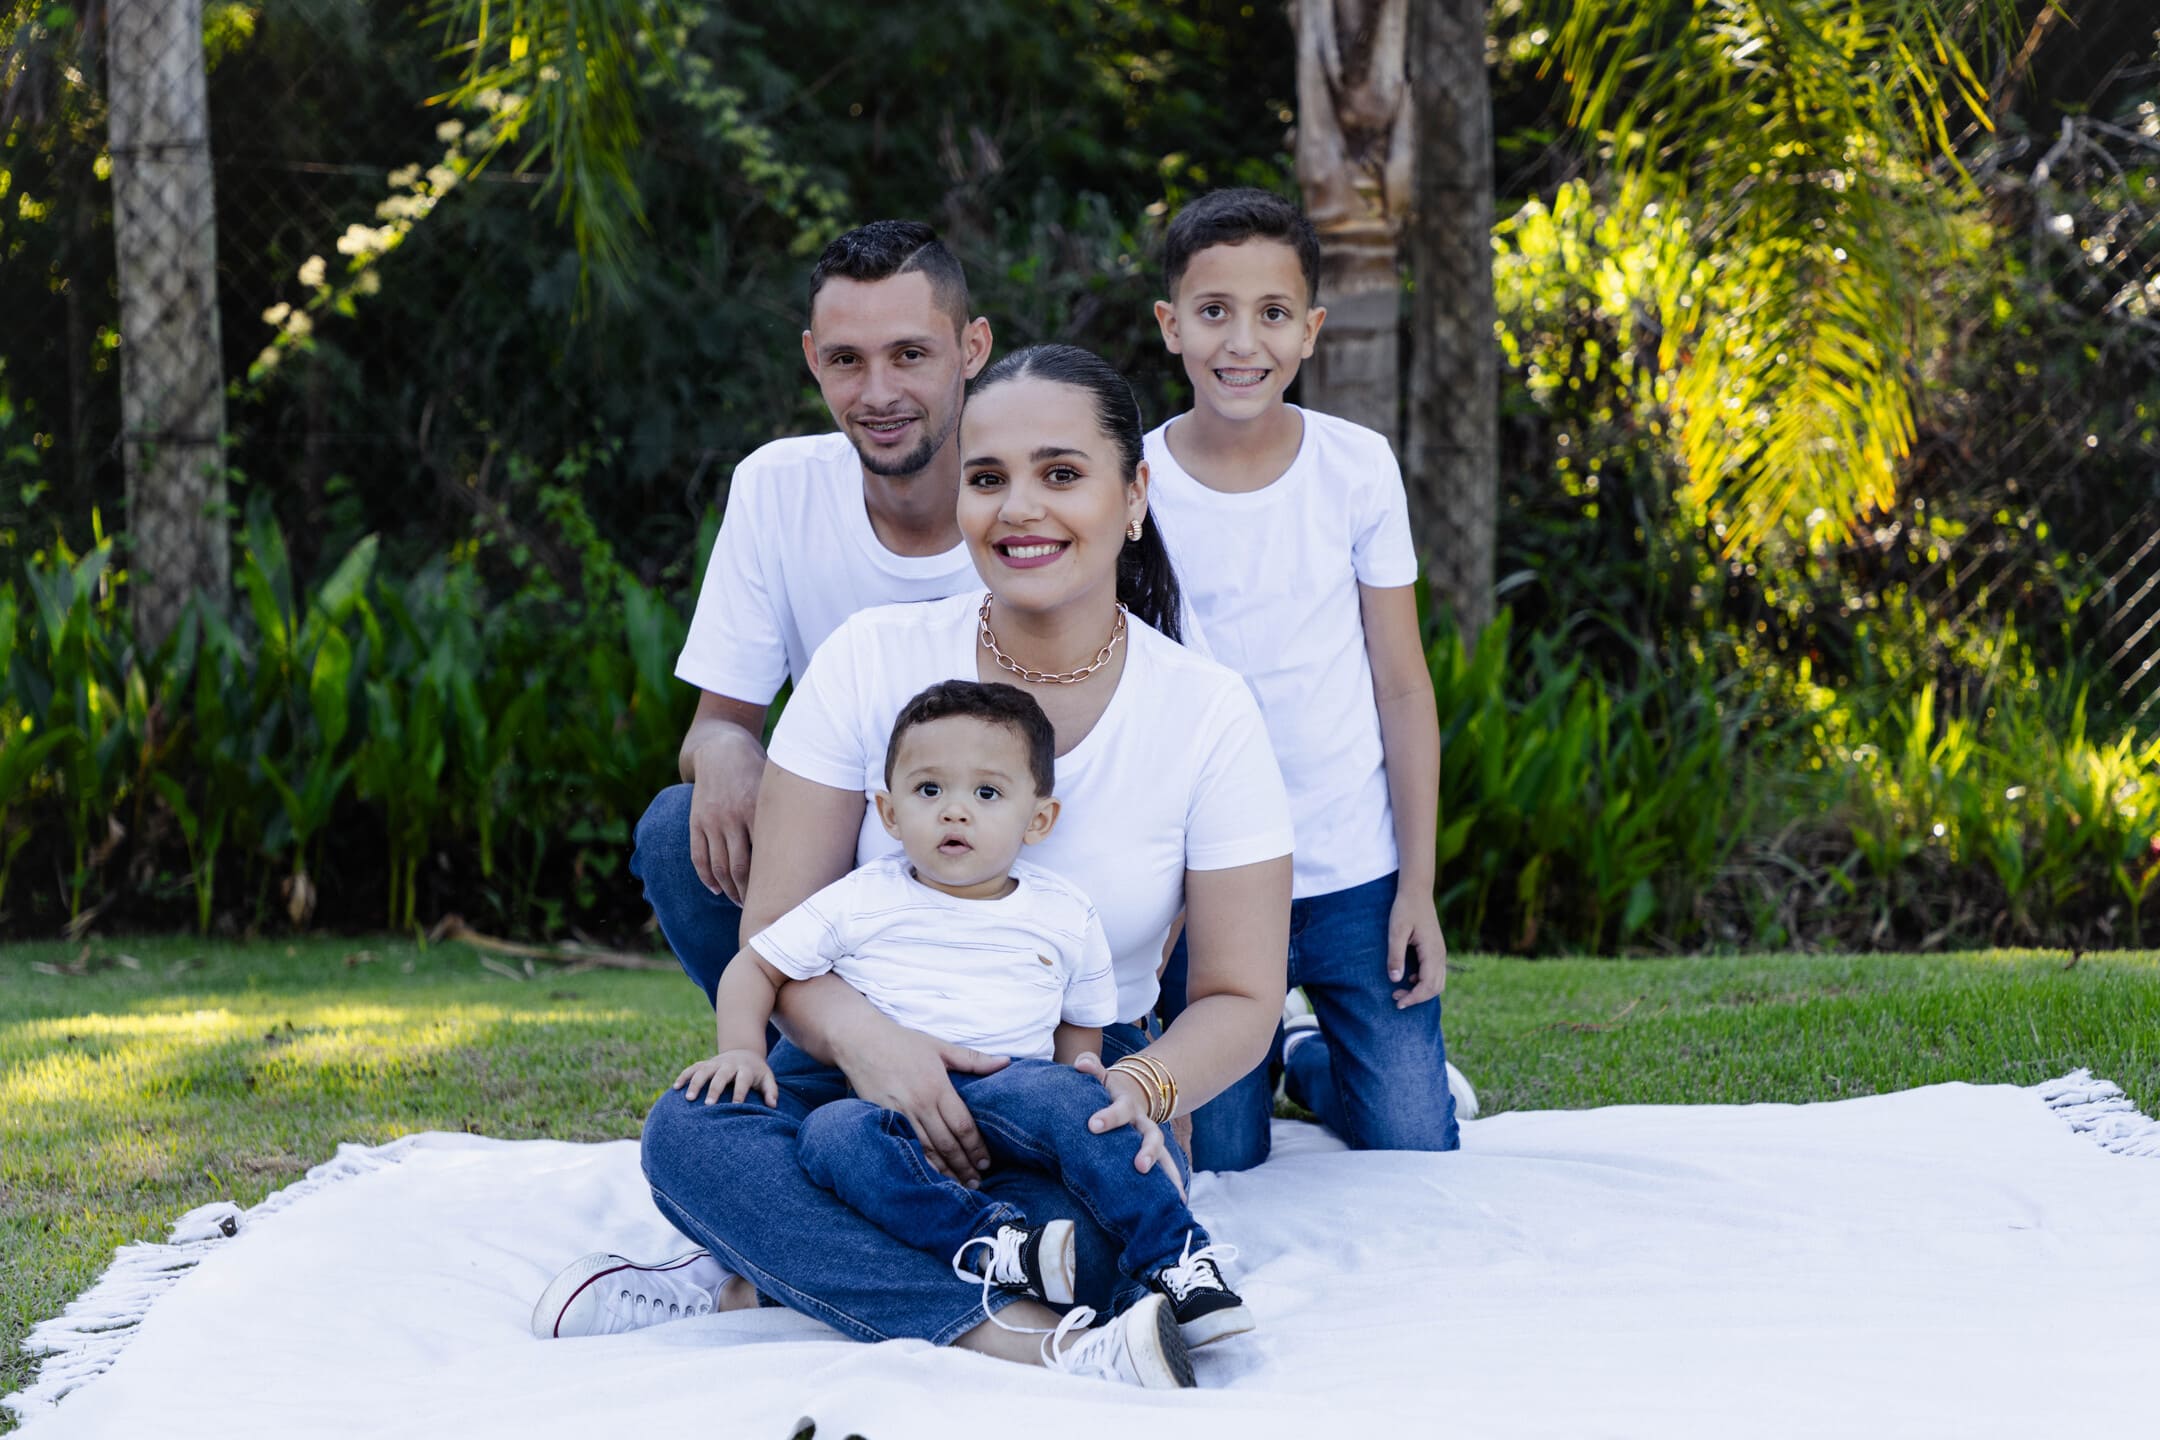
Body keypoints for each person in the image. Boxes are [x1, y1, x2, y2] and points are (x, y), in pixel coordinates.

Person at [536, 344, 1294, 1388]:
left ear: (1134, 498)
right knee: (691, 1137)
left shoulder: (1207, 709)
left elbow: (1242, 995)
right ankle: (1020, 1335)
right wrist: (874, 1046)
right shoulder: (872, 657)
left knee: (1103, 1235)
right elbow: (779, 933)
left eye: (1062, 474)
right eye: (988, 479)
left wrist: (1134, 1089)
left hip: (1062, 1074)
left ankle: (760, 1270)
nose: (1020, 508)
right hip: (848, 1053)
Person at [673, 678, 1254, 1373]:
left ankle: (1178, 1259)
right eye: (928, 792)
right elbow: (757, 965)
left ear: (1037, 820)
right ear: (887, 812)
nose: (955, 812)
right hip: (877, 1105)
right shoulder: (864, 897)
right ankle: (991, 1248)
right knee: (827, 1137)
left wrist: (1093, 1098)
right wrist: (741, 1051)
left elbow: (1081, 1043)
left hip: (1012, 1093)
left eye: (986, 794)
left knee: (1079, 1105)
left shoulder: (1064, 914)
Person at [1144, 187, 1470, 1168]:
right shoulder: (1137, 485)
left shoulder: (1357, 468)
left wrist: (1417, 887)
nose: (1243, 341)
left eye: (1273, 313)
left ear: (1312, 330)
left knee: (1413, 1140)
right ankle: (1270, 1049)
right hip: (1211, 886)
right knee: (1226, 1158)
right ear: (1170, 326)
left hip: (1353, 874)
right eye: (1213, 312)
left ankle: (1313, 1058)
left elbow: (1404, 688)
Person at [640, 219, 992, 1002]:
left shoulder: (1038, 492)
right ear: (812, 360)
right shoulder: (778, 486)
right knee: (674, 827)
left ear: (971, 349)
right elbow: (716, 723)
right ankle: (794, 1049)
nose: (878, 394)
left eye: (909, 354)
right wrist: (725, 748)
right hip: (840, 851)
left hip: (1012, 853)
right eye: (846, 361)